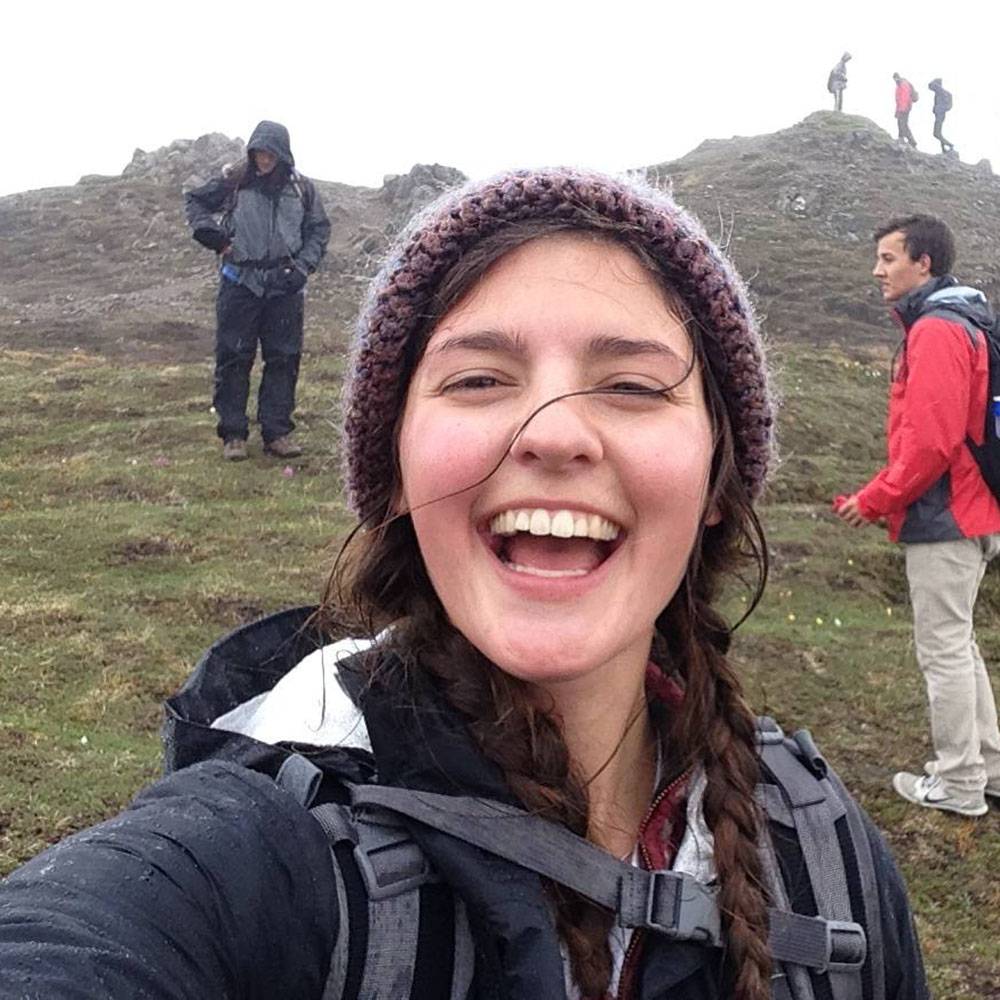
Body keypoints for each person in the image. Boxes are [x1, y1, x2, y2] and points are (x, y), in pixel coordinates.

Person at [1, 169, 928, 1000]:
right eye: (481, 378)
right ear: (395, 469)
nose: (553, 433)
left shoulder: (829, 849)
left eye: (635, 388)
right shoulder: (262, 843)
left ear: (718, 476)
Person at [835, 214, 1000, 818]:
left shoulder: (936, 330)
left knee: (944, 649)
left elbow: (930, 443)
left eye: (888, 258)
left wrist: (874, 499)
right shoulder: (968, 321)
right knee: (960, 643)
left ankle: (959, 783)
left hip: (947, 514)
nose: (877, 271)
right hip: (975, 510)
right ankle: (989, 768)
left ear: (923, 262)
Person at [185, 120, 331, 461]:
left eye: (270, 153)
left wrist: (302, 267)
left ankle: (277, 432)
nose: (264, 159)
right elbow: (195, 202)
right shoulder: (234, 180)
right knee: (234, 357)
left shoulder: (301, 189)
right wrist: (214, 237)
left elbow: (319, 230)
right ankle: (233, 434)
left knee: (283, 358)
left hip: (285, 286)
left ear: (282, 154)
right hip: (240, 282)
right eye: (259, 152)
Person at [928, 78, 955, 154]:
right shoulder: (939, 93)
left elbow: (931, 85)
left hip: (940, 115)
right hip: (939, 114)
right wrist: (935, 109)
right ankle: (944, 149)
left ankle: (950, 145)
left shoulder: (942, 93)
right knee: (938, 133)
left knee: (936, 133)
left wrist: (939, 109)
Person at [892, 74, 918, 148]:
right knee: (903, 124)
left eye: (896, 78)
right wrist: (897, 110)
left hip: (905, 108)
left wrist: (901, 109)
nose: (895, 80)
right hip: (902, 108)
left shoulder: (903, 84)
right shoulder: (899, 85)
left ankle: (902, 139)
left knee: (902, 123)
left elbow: (904, 97)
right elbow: (898, 99)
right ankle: (911, 141)